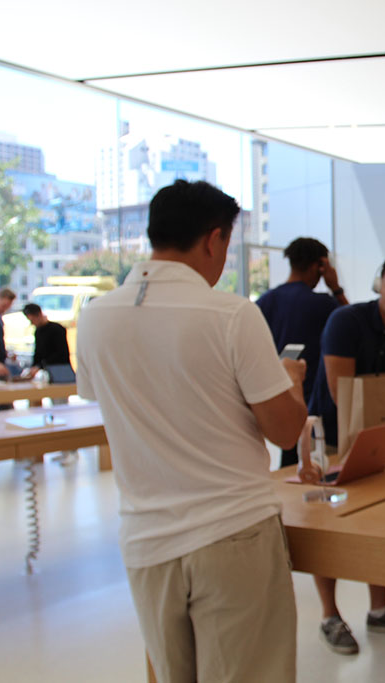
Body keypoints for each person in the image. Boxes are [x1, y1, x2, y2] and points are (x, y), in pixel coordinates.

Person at [75, 180, 308, 683]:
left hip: (145, 539)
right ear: (214, 239)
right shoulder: (231, 314)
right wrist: (291, 383)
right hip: (233, 532)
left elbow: (105, 398)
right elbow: (285, 432)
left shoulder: (94, 318)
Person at [311, 253, 385, 654]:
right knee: (326, 529)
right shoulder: (346, 322)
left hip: (383, 442)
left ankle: (379, 610)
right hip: (331, 440)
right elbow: (338, 392)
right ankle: (330, 615)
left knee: (376, 525)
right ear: (379, 282)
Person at [256, 237, 348, 468]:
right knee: (313, 462)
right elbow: (354, 327)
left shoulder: (264, 302)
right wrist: (335, 287)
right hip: (315, 401)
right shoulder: (323, 304)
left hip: (278, 394)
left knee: (289, 461)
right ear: (320, 266)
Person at [24, 302, 76, 465]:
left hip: (61, 374)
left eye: (32, 319)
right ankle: (59, 449)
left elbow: (61, 354)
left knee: (62, 411)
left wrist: (40, 365)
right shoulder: (38, 332)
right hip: (47, 374)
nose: (32, 322)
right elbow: (37, 353)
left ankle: (70, 450)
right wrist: (34, 367)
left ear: (38, 314)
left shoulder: (57, 329)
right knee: (49, 412)